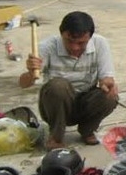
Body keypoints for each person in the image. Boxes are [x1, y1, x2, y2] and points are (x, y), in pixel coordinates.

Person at [19, 11, 118, 150]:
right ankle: (56, 136)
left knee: (110, 96)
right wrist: (30, 72)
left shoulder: (100, 43)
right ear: (61, 34)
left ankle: (87, 130)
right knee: (58, 86)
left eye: (81, 43)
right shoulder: (47, 47)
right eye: (69, 41)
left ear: (90, 37)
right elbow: (23, 84)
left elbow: (107, 78)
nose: (74, 47)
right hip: (56, 105)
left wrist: (108, 84)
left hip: (85, 102)